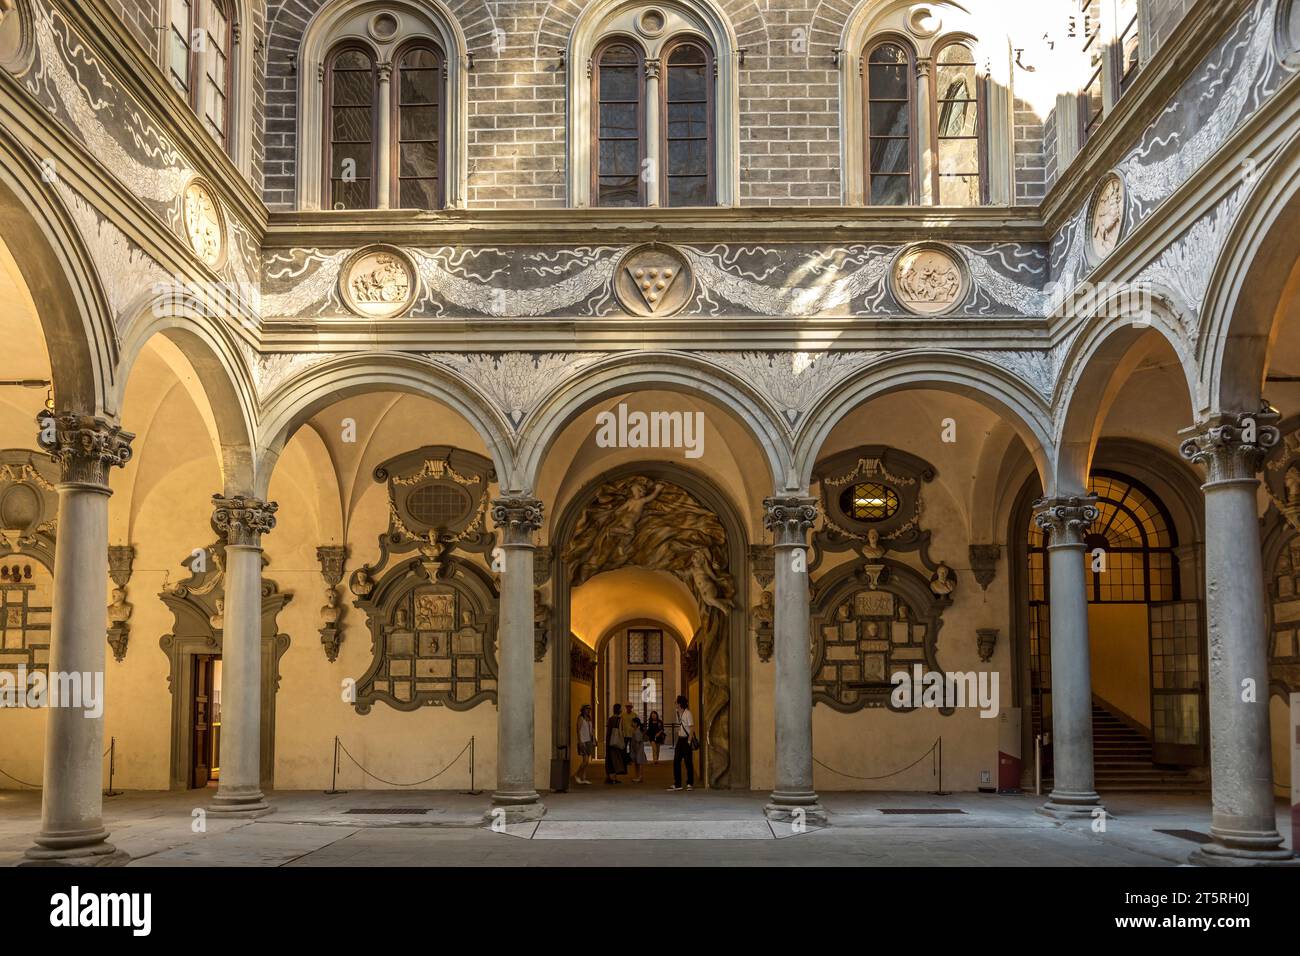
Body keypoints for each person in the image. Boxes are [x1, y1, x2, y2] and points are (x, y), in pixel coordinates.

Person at [669, 695, 695, 791]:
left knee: (688, 762)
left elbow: (692, 727)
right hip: (680, 739)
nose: (674, 704)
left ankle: (690, 783)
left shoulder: (688, 713)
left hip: (686, 740)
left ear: (679, 704)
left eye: (676, 702)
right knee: (676, 761)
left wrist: (689, 740)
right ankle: (678, 784)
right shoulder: (679, 713)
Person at [605, 704, 626, 784]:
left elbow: (608, 731)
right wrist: (622, 741)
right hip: (616, 742)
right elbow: (620, 731)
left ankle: (610, 777)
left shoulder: (610, 719)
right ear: (619, 710)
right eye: (621, 709)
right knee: (615, 759)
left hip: (609, 741)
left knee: (610, 759)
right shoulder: (619, 719)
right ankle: (613, 778)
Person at [574, 704, 594, 786]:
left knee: (587, 761)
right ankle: (577, 774)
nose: (588, 710)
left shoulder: (589, 719)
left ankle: (584, 778)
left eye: (589, 709)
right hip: (583, 741)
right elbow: (578, 731)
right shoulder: (580, 718)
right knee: (585, 761)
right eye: (587, 709)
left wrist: (594, 738)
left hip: (589, 741)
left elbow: (591, 730)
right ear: (583, 710)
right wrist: (580, 741)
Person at [629, 716, 647, 783]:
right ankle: (638, 776)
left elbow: (638, 741)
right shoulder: (636, 730)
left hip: (638, 750)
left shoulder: (637, 731)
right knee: (637, 763)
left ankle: (639, 776)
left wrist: (635, 750)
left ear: (636, 723)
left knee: (639, 764)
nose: (631, 723)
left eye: (633, 722)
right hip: (637, 750)